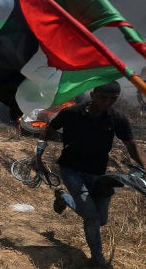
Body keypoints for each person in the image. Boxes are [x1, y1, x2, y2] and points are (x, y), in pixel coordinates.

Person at [35, 81, 146, 268]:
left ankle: (64, 197)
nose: (108, 103)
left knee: (100, 219)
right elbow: (48, 130)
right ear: (93, 94)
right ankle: (97, 259)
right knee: (92, 217)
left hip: (97, 174)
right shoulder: (71, 113)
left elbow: (132, 145)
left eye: (113, 99)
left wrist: (143, 164)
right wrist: (37, 156)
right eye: (103, 98)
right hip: (71, 170)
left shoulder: (117, 119)